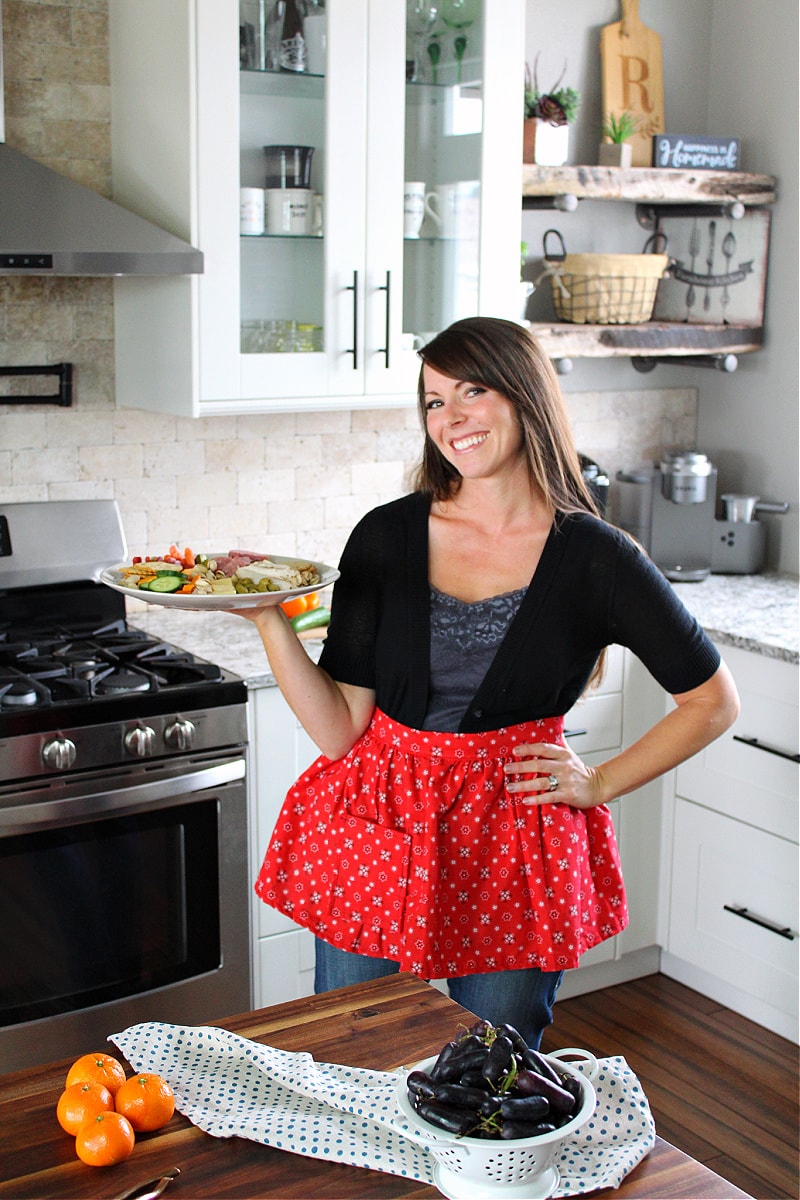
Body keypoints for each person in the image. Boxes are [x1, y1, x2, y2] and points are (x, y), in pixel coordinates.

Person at [232, 316, 740, 1048]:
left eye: (472, 390)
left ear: (525, 393)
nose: (451, 418)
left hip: (516, 838)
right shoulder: (385, 537)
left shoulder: (599, 558)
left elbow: (712, 702)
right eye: (434, 401)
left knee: (493, 1065)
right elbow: (340, 728)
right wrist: (269, 619)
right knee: (355, 1044)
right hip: (380, 816)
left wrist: (598, 783)